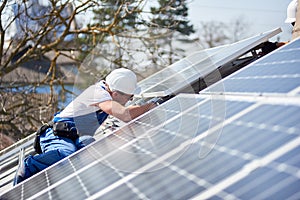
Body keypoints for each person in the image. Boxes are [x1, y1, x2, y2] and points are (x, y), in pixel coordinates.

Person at [13, 68, 157, 185]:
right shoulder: (98, 93)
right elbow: (125, 115)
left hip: (72, 136)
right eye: (129, 97)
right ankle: (29, 166)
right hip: (55, 135)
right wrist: (150, 106)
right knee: (67, 155)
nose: (129, 100)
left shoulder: (105, 92)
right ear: (115, 94)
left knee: (90, 148)